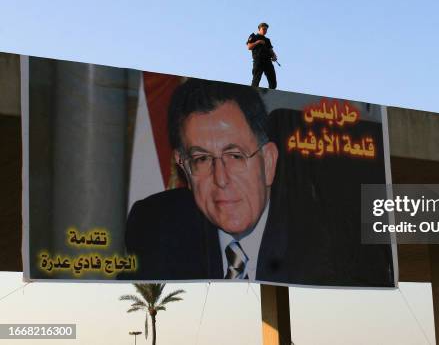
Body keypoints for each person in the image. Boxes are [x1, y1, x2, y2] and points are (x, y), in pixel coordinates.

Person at [123, 78, 395, 286]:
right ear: (183, 166)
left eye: (235, 155)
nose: (221, 179)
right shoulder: (154, 225)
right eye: (202, 159)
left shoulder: (334, 241)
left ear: (268, 161)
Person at [247, 22, 277, 89]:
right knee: (256, 79)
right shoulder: (254, 36)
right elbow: (249, 47)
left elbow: (271, 50)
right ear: (259, 29)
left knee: (273, 81)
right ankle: (253, 94)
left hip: (267, 61)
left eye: (266, 29)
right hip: (258, 60)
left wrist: (274, 56)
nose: (265, 31)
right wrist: (258, 42)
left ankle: (271, 95)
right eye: (263, 29)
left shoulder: (267, 40)